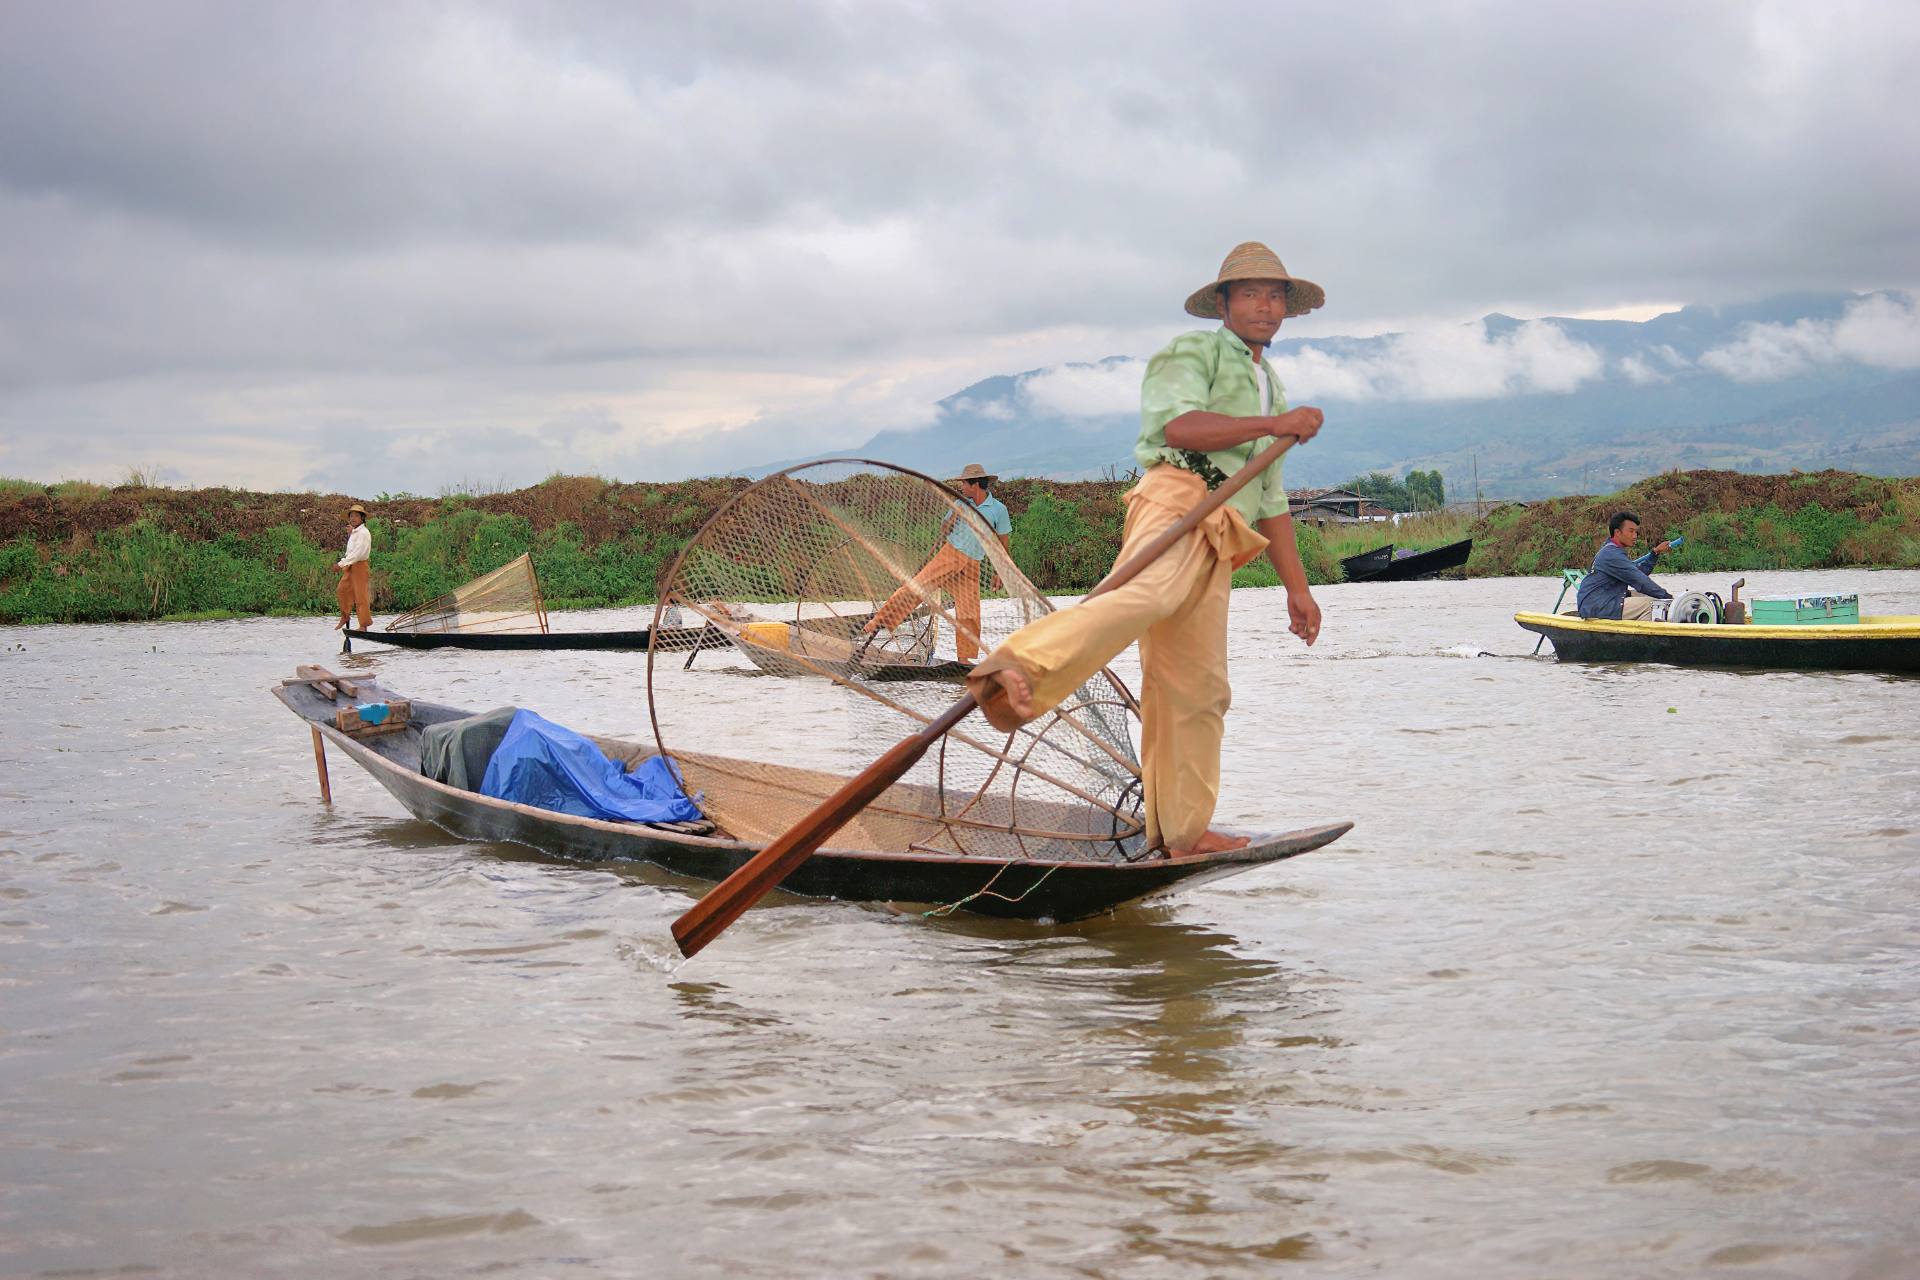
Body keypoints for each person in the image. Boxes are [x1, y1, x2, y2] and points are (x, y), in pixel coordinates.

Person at [966, 241, 1327, 858]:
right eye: (1251, 294)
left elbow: (1269, 499)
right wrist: (1274, 427)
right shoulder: (1194, 351)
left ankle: (1183, 833)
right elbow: (1178, 428)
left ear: (1287, 309)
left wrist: (1298, 588)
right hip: (1179, 503)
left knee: (1196, 687)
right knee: (1147, 595)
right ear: (1223, 303)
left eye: (1275, 296)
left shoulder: (1271, 382)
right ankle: (1014, 668)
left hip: (1225, 537)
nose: (1265, 306)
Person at [864, 462, 1013, 665]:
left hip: (972, 564)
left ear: (975, 484)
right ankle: (879, 619)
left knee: (970, 612)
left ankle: (964, 659)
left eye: (964, 484)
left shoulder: (998, 510)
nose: (962, 488)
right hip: (950, 554)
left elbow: (1002, 544)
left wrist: (1000, 572)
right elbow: (945, 529)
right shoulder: (961, 504)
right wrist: (951, 521)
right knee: (919, 586)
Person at [1576, 511, 1675, 620]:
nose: (1635, 536)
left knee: (1653, 598)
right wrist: (1669, 599)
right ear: (1617, 532)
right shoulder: (1611, 554)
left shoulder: (1612, 550)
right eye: (1631, 531)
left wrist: (1655, 553)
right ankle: (1642, 636)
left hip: (1602, 601)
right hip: (1598, 605)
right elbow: (1640, 581)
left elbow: (1639, 573)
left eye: (1636, 532)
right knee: (1654, 605)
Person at [335, 503, 373, 633]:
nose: (353, 518)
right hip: (351, 564)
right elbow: (351, 551)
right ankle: (345, 616)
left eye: (356, 515)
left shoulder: (363, 533)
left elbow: (358, 553)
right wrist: (351, 534)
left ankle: (364, 626)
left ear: (362, 518)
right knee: (342, 590)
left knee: (360, 595)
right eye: (351, 516)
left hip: (360, 565)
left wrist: (341, 564)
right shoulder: (355, 532)